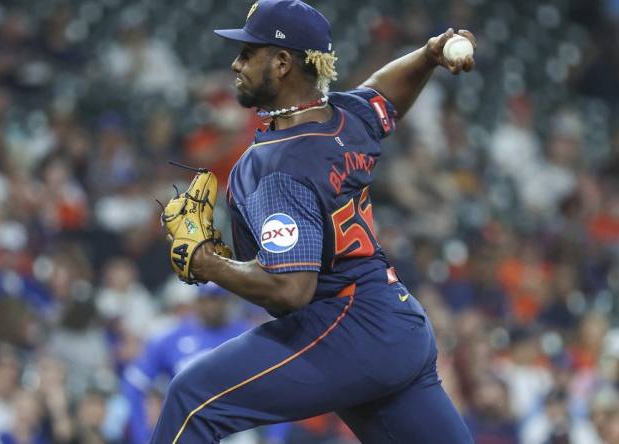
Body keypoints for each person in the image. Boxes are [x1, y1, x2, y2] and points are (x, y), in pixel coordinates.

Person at [152, 0, 476, 442]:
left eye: (249, 53)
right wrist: (429, 55)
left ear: (283, 63)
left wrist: (207, 264)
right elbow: (386, 93)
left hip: (345, 325)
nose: (236, 62)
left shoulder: (275, 164)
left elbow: (291, 290)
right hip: (395, 324)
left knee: (192, 398)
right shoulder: (347, 117)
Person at [122, 283, 253, 444]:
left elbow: (273, 386)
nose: (211, 305)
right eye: (206, 299)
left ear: (227, 301)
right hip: (187, 430)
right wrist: (142, 436)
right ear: (196, 301)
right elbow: (134, 382)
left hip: (237, 433)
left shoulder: (247, 335)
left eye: (216, 299)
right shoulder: (172, 337)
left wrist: (275, 436)